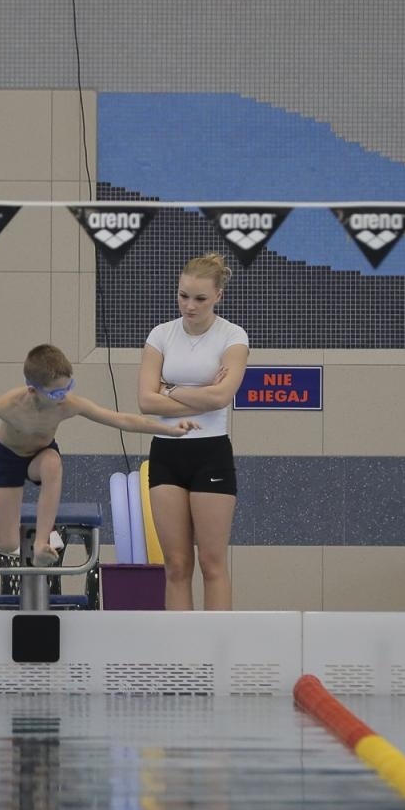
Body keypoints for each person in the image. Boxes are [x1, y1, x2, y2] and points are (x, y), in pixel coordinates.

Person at [0, 344, 198, 567]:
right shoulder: (9, 404)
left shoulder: (69, 405)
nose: (63, 397)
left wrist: (169, 429)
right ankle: (19, 539)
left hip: (40, 456)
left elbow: (121, 419)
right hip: (7, 457)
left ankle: (41, 542)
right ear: (32, 390)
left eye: (67, 388)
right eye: (55, 393)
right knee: (8, 544)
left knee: (53, 463)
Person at [137, 252, 250, 611]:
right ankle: (180, 644)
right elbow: (146, 401)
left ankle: (218, 642)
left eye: (200, 298)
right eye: (183, 295)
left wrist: (169, 389)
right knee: (176, 565)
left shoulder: (232, 336)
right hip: (166, 453)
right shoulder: (161, 335)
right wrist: (200, 395)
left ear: (218, 296)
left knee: (211, 563)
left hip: (210, 453)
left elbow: (221, 397)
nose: (190, 305)